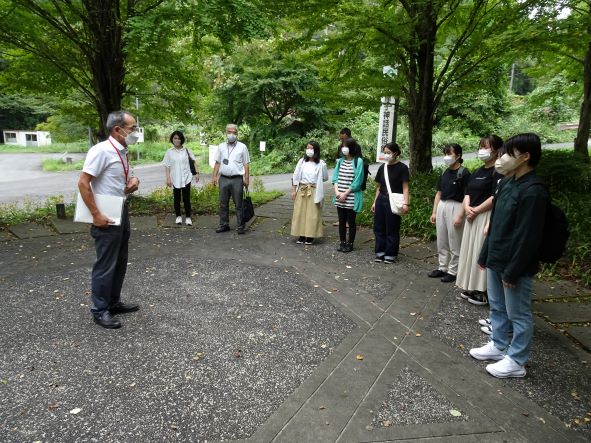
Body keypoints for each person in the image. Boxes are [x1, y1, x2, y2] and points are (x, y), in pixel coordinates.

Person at [470, 133, 548, 379]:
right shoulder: (506, 183)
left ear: (525, 157)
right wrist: (485, 255)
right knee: (497, 306)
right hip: (496, 256)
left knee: (519, 313)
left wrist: (513, 270)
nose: (501, 158)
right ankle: (498, 344)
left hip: (516, 263)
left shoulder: (534, 191)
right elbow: (495, 224)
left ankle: (517, 359)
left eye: (507, 154)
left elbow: (528, 236)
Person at [78, 110, 141, 329]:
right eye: (132, 128)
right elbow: (83, 183)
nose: (135, 132)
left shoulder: (123, 151)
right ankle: (99, 310)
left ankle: (113, 302)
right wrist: (96, 214)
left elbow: (115, 182)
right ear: (117, 129)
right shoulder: (101, 151)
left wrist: (131, 184)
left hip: (120, 208)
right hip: (105, 213)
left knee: (120, 259)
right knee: (105, 263)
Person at [456, 135, 503, 305]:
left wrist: (476, 210)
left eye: (486, 147)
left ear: (497, 150)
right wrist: (467, 208)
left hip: (484, 216)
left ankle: (483, 291)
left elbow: (495, 196)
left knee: (480, 252)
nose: (482, 150)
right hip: (471, 216)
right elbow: (467, 191)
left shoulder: (498, 172)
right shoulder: (478, 170)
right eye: (481, 146)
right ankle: (471, 285)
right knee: (470, 252)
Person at [428, 143, 471, 283]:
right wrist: (434, 212)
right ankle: (442, 267)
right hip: (442, 205)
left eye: (449, 154)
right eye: (445, 153)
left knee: (455, 240)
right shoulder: (445, 172)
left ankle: (454, 270)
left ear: (458, 156)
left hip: (457, 206)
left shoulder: (464, 173)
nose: (446, 157)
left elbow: (467, 195)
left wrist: (461, 214)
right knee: (442, 238)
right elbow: (439, 193)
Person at [371, 142, 410, 263]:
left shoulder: (402, 168)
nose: (386, 155)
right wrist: (374, 202)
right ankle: (380, 251)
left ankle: (391, 253)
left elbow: (405, 187)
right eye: (385, 152)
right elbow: (378, 186)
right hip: (381, 199)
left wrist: (406, 203)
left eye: (389, 152)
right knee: (379, 227)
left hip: (393, 201)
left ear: (396, 153)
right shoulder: (382, 167)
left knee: (392, 227)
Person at [211, 124, 250, 234]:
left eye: (233, 132)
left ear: (237, 133)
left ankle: (240, 226)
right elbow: (217, 162)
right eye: (229, 132)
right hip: (223, 178)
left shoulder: (242, 147)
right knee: (223, 203)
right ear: (226, 133)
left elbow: (246, 164)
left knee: (239, 204)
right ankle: (224, 224)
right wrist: (214, 177)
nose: (231, 134)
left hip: (237, 179)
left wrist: (246, 178)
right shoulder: (221, 146)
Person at [290, 140, 328, 245]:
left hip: (314, 190)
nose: (309, 150)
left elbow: (325, 178)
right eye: (307, 148)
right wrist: (293, 190)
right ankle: (301, 235)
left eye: (311, 148)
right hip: (302, 189)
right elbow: (295, 175)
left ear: (316, 150)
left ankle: (310, 235)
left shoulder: (321, 164)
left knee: (312, 214)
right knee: (300, 212)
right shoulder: (302, 161)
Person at [332, 138, 364, 252]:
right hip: (339, 196)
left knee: (351, 222)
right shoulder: (340, 161)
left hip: (351, 198)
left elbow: (357, 182)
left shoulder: (358, 161)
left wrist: (345, 194)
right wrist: (337, 193)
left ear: (351, 147)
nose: (343, 148)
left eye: (345, 146)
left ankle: (350, 244)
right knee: (341, 221)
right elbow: (335, 178)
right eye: (342, 146)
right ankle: (342, 242)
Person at [163, 131, 199, 226]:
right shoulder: (169, 152)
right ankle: (178, 216)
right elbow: (167, 166)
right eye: (175, 138)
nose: (177, 140)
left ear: (181, 139)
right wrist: (168, 178)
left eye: (179, 138)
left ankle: (188, 217)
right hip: (175, 178)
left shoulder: (187, 150)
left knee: (187, 199)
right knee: (177, 199)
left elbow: (194, 162)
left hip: (186, 177)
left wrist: (197, 173)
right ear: (172, 139)